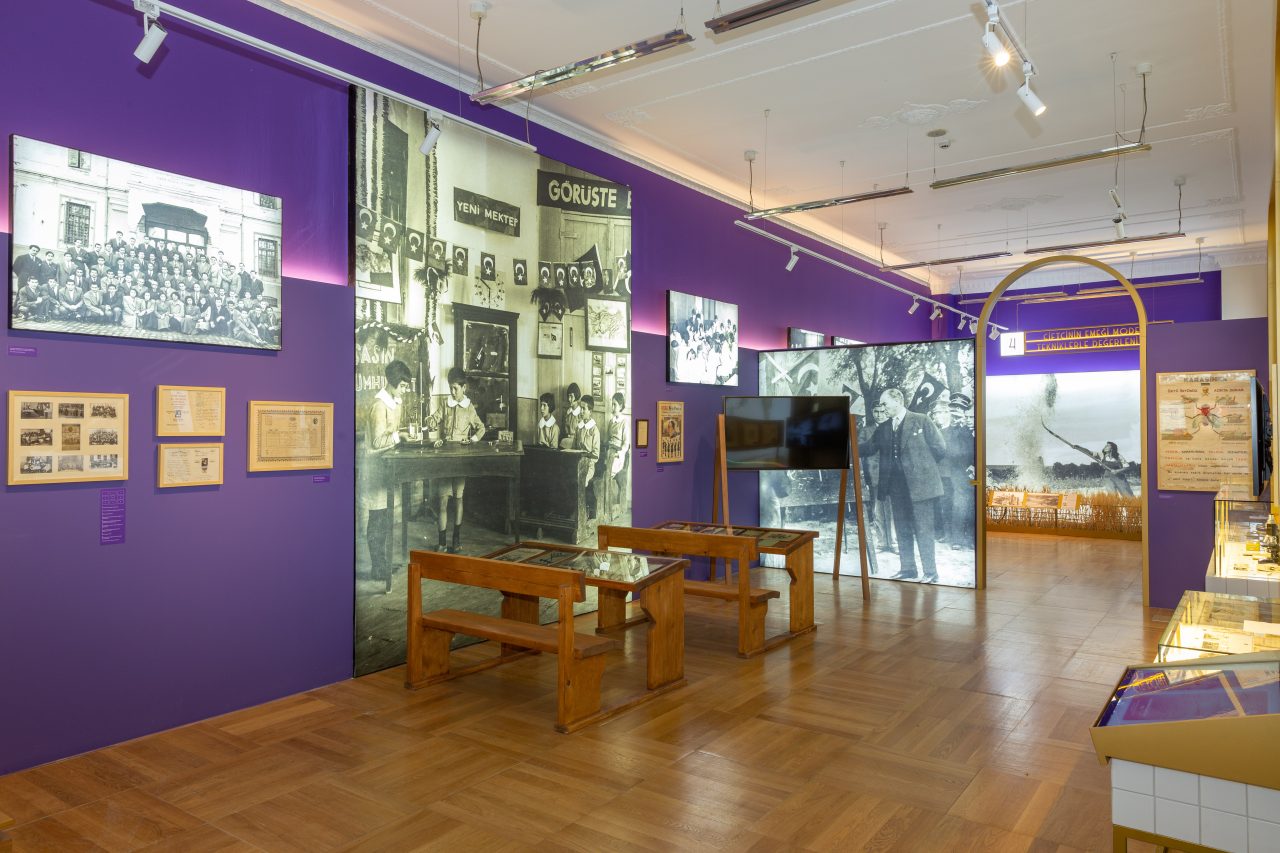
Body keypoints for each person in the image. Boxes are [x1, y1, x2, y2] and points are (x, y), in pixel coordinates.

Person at [859, 387, 946, 583]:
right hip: (897, 489)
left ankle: (931, 573)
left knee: (924, 530)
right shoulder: (884, 428)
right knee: (901, 528)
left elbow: (940, 448)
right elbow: (868, 448)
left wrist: (922, 469)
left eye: (885, 404)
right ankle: (908, 569)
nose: (882, 408)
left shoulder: (922, 420)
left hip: (922, 488)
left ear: (898, 401)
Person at [363, 360, 412, 592]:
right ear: (392, 383)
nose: (404, 390)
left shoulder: (394, 402)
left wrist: (400, 434)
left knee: (384, 518)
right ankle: (377, 567)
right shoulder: (379, 405)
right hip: (375, 469)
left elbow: (390, 434)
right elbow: (377, 441)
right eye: (403, 386)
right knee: (377, 518)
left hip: (386, 468)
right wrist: (397, 437)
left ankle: (382, 564)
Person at [427, 367, 484, 552]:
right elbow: (435, 419)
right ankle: (442, 543)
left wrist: (472, 440)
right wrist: (431, 421)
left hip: (460, 459)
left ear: (464, 388)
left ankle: (456, 541)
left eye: (455, 388)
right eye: (450, 388)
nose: (452, 392)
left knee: (458, 498)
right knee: (442, 500)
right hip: (445, 458)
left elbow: (481, 428)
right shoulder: (446, 404)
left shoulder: (469, 407)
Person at [1042, 422, 1134, 497]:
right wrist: (1077, 447)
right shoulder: (1101, 455)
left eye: (1108, 446)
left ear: (1112, 448)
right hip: (1108, 477)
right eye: (1105, 445)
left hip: (1120, 477)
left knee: (1128, 496)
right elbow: (1089, 452)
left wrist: (1117, 471)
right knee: (1112, 497)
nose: (1105, 447)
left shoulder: (1118, 456)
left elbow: (1127, 467)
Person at [942, 393, 976, 550]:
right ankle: (956, 539)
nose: (956, 414)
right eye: (954, 410)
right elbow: (952, 452)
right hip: (958, 473)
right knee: (958, 504)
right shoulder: (953, 431)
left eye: (960, 410)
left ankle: (971, 538)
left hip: (974, 473)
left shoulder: (974, 429)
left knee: (972, 504)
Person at [575, 394, 602, 519]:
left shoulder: (594, 430)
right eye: (580, 408)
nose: (581, 411)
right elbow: (574, 447)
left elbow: (596, 454)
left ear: (590, 411)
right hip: (577, 462)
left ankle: (585, 510)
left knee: (582, 480)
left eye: (584, 409)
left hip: (589, 465)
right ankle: (574, 509)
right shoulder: (579, 428)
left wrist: (585, 455)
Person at [604, 392, 630, 519]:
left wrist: (619, 454)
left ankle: (608, 507)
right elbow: (607, 439)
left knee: (607, 473)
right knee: (601, 470)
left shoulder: (624, 422)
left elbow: (626, 444)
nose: (612, 407)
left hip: (618, 455)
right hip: (609, 452)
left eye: (614, 404)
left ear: (620, 406)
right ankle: (602, 506)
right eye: (612, 404)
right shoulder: (611, 421)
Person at [560, 383, 585, 449]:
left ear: (576, 396)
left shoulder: (581, 413)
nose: (569, 399)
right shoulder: (568, 412)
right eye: (568, 396)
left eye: (571, 396)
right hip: (567, 440)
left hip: (577, 442)